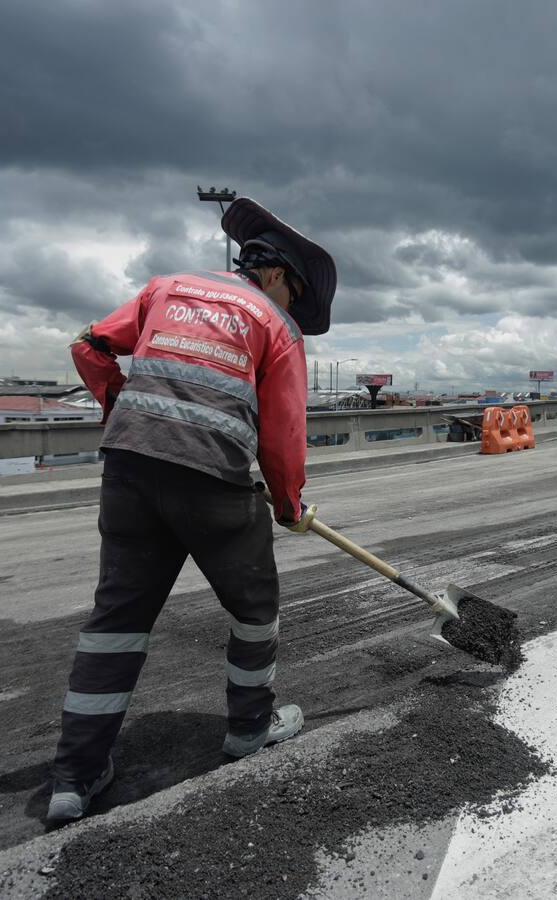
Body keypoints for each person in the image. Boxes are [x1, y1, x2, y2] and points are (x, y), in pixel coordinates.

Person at [46, 198, 336, 823]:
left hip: (128, 470)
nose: (290, 310)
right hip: (211, 484)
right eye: (293, 296)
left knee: (116, 620)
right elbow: (283, 435)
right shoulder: (274, 324)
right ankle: (249, 729)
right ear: (281, 277)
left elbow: (88, 346)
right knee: (254, 610)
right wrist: (288, 506)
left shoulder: (164, 288)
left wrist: (126, 404)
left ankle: (75, 775)